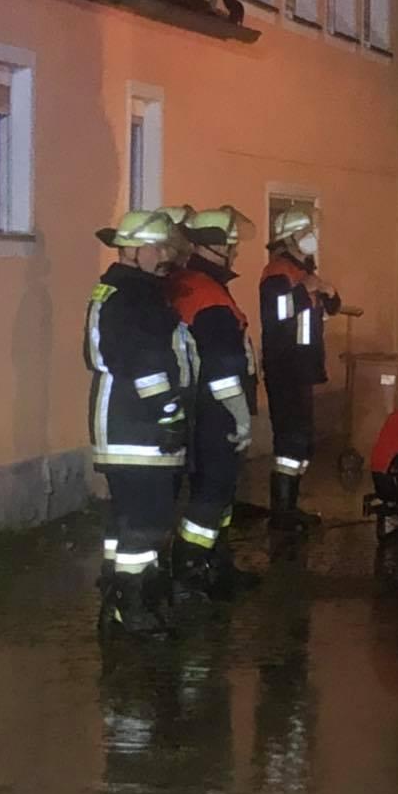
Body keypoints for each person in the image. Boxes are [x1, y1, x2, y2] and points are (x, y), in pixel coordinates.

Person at [85, 210, 190, 635]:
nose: (164, 256)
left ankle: (117, 600)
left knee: (126, 519)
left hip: (123, 422)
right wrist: (169, 411)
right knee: (146, 520)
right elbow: (145, 362)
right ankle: (132, 609)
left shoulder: (121, 289)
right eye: (158, 248)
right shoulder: (135, 295)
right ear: (133, 249)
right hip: (137, 424)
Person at [165, 206, 260, 599]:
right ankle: (192, 569)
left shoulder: (185, 283)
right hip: (216, 410)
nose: (235, 254)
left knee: (214, 492)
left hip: (196, 406)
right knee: (214, 491)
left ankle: (215, 565)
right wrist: (240, 416)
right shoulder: (209, 296)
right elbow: (223, 367)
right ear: (216, 248)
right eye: (232, 247)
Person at [259, 209, 340, 531]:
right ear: (289, 239)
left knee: (302, 442)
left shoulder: (303, 271)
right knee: (290, 442)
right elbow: (278, 314)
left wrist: (328, 293)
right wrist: (306, 289)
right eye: (304, 231)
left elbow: (327, 308)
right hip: (285, 368)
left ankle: (290, 507)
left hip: (302, 368)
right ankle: (282, 512)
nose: (311, 236)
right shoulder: (277, 273)